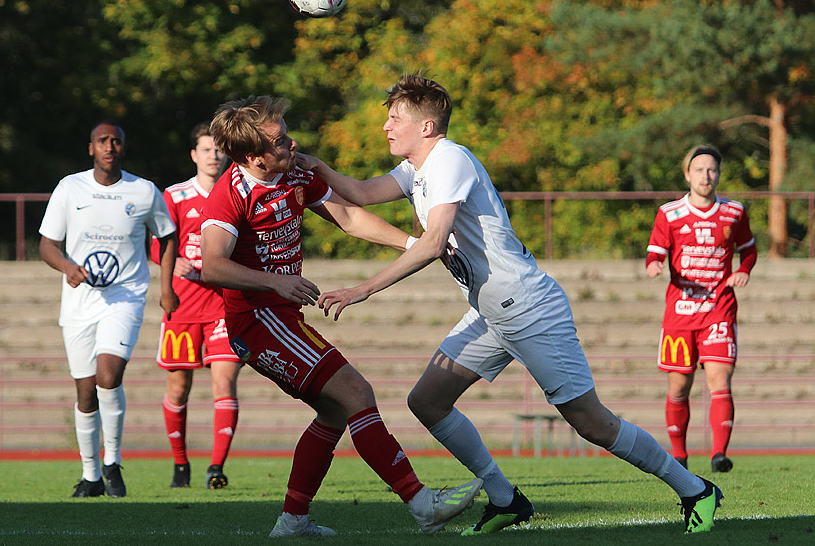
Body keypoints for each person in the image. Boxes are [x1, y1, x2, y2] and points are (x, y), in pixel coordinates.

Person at [298, 72, 723, 535]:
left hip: (528, 307)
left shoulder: (449, 159)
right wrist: (312, 165)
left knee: (592, 424)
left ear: (426, 127)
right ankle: (505, 498)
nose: (386, 127)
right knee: (428, 401)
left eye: (395, 117)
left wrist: (363, 289)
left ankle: (695, 489)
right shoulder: (417, 169)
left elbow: (434, 242)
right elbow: (360, 193)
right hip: (490, 313)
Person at [199, 95, 482, 537]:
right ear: (253, 156)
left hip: (282, 316)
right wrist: (274, 281)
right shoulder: (230, 195)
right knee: (355, 391)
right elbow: (212, 265)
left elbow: (349, 216)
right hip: (257, 321)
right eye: (280, 141)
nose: (292, 144)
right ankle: (420, 502)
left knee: (333, 412)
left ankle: (292, 520)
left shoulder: (292, 174)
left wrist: (413, 245)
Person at [39, 120, 179, 498]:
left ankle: (112, 463)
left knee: (108, 376)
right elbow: (47, 244)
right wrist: (68, 267)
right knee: (85, 394)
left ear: (123, 148)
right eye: (102, 141)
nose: (109, 146)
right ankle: (90, 476)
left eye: (116, 141)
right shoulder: (70, 188)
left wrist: (166, 288)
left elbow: (168, 237)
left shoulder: (144, 191)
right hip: (80, 302)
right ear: (91, 148)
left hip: (125, 297)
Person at [646, 145, 757, 473]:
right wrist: (655, 265)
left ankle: (719, 455)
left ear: (718, 175)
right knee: (679, 385)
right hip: (680, 312)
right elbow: (654, 253)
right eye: (699, 170)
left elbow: (749, 251)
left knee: (720, 380)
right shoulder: (670, 213)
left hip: (718, 309)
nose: (706, 176)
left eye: (711, 170)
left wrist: (743, 270)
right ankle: (679, 455)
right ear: (687, 174)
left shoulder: (734, 212)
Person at [150, 123, 242, 489]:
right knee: (178, 388)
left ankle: (216, 468)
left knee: (225, 383)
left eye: (219, 149)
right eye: (206, 149)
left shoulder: (237, 192)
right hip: (183, 308)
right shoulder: (174, 195)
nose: (214, 155)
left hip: (223, 305)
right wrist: (173, 263)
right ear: (194, 155)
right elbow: (156, 243)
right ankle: (180, 464)